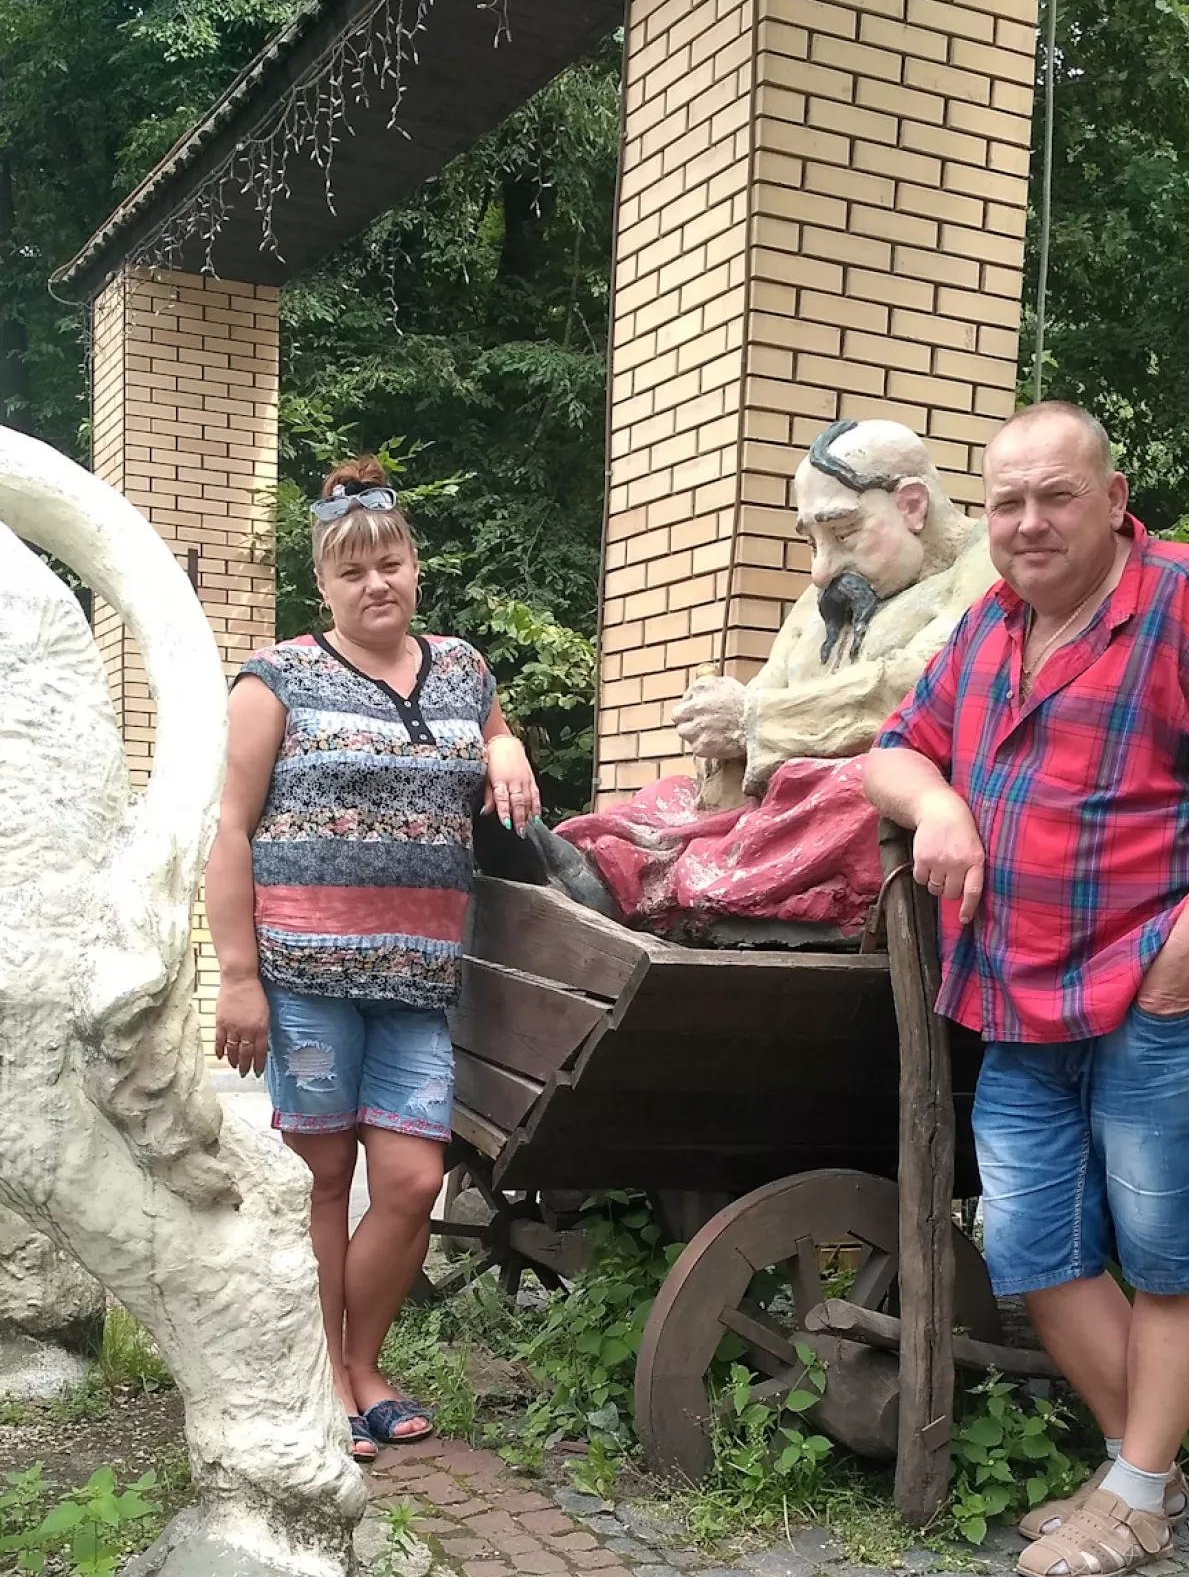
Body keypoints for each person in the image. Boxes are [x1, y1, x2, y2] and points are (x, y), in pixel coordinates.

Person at [863, 401, 1189, 1577]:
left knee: (1170, 1248)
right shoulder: (990, 625)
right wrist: (940, 803)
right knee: (1032, 1244)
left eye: (1056, 495)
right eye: (1007, 500)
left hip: (1165, 991)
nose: (1029, 522)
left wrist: (1186, 961)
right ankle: (1142, 1473)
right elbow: (891, 750)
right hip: (1020, 996)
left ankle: (1135, 1490)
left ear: (1113, 500)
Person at [207, 456, 540, 1462]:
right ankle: (328, 1380)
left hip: (419, 985)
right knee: (323, 1181)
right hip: (304, 981)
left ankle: (363, 1363)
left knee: (409, 1181)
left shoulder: (465, 670)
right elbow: (229, 830)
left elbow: (492, 743)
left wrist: (506, 745)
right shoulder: (275, 679)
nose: (375, 584)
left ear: (415, 566)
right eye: (352, 572)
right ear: (324, 584)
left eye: (389, 563)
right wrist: (237, 977)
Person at [546, 419, 995, 933]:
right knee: (670, 796)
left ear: (912, 505)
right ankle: (606, 866)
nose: (821, 570)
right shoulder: (830, 594)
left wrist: (752, 721)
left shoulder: (986, 563)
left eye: (844, 533)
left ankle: (663, 884)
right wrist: (719, 725)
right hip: (778, 798)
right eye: (812, 543)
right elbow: (764, 691)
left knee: (854, 792)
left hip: (883, 794)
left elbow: (918, 685)